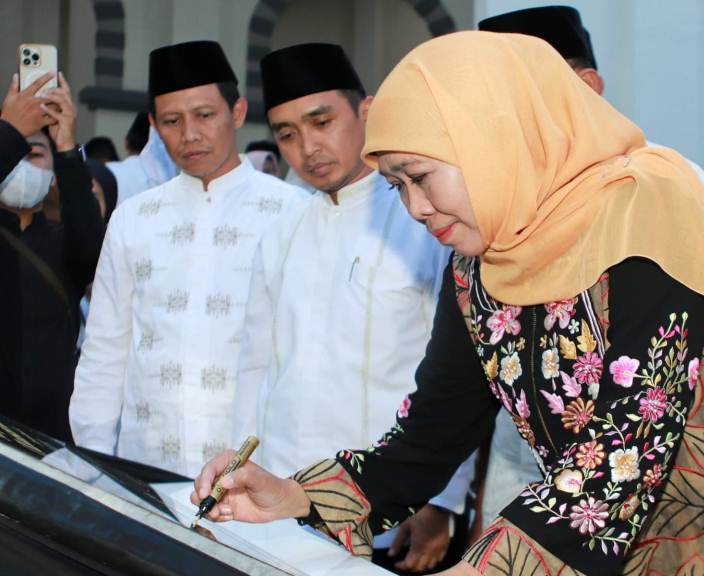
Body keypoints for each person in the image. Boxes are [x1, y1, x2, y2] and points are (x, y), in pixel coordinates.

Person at [193, 32, 704, 575]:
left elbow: (616, 461)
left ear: (490, 142)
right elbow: (429, 437)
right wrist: (293, 496)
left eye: (420, 176)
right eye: (397, 186)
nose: (416, 207)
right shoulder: (479, 264)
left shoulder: (641, 213)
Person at [474, 4, 704, 533]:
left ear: (587, 85)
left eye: (520, 98)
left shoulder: (656, 185)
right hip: (532, 473)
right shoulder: (491, 205)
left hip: (660, 493)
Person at [232, 42, 473, 574]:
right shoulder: (282, 231)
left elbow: (466, 377)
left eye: (321, 121)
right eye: (287, 134)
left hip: (390, 511)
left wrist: (439, 503)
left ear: (366, 112)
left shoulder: (430, 222)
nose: (308, 147)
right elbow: (255, 369)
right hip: (284, 506)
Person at [70, 41, 302, 477]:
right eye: (173, 121)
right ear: (155, 126)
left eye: (205, 115)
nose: (189, 134)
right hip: (146, 465)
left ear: (236, 112)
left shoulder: (293, 212)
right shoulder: (135, 218)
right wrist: (94, 465)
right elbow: (104, 350)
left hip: (260, 473)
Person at [1, 72, 104, 442]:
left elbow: (93, 252)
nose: (23, 164)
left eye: (36, 154)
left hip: (52, 436)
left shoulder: (64, 242)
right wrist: (8, 131)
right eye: (16, 152)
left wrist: (67, 150)